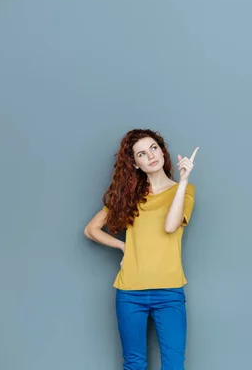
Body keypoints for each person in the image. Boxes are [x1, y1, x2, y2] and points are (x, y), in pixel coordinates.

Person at [84, 128, 199, 370]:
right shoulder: (128, 197)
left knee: (174, 365)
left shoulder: (185, 191)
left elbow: (170, 226)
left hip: (169, 292)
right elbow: (91, 229)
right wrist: (123, 245)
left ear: (162, 151)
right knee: (134, 364)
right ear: (135, 164)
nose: (150, 156)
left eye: (154, 148)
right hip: (129, 293)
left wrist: (184, 180)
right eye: (141, 154)